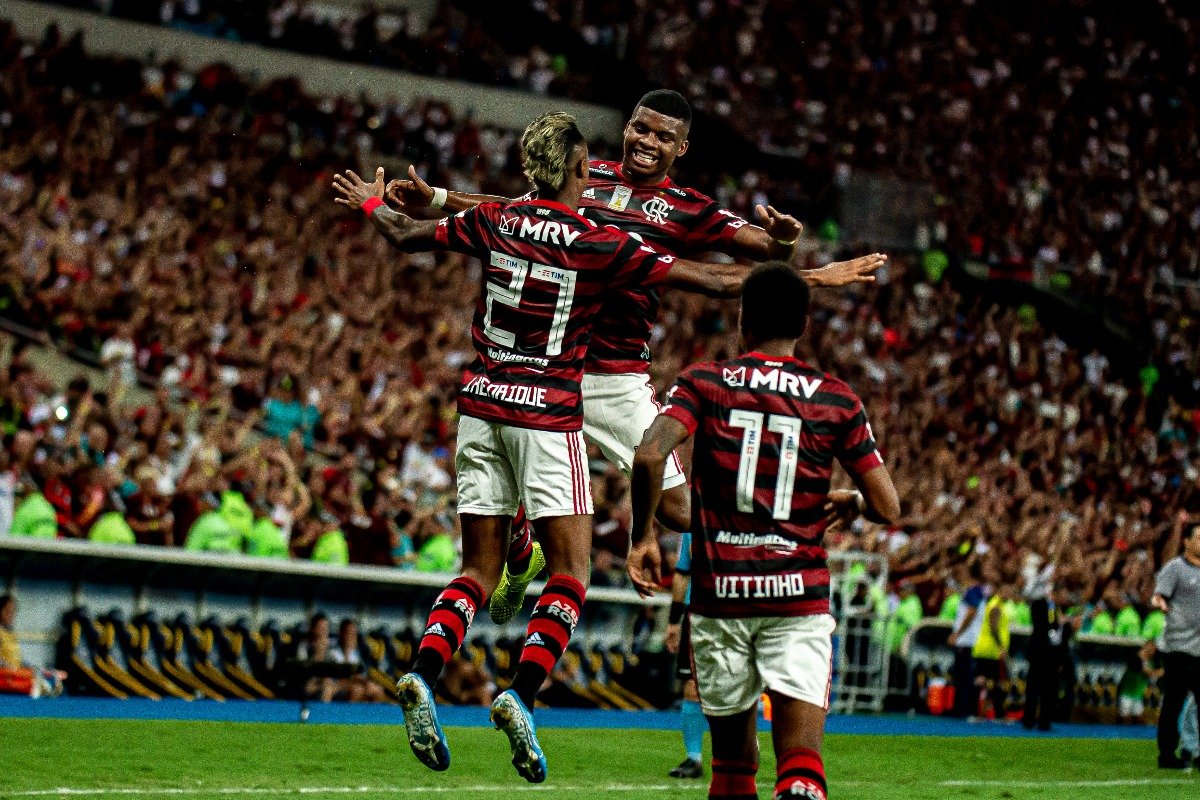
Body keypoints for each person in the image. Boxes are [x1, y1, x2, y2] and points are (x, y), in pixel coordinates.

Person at [333, 111, 760, 782]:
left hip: (480, 406)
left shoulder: (497, 218)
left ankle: (422, 672)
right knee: (572, 573)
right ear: (581, 171)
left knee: (474, 571)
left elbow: (404, 232)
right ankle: (520, 694)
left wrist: (368, 200)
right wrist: (806, 285)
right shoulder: (599, 240)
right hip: (549, 412)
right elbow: (713, 279)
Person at [387, 90, 885, 625]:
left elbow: (752, 255)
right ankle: (518, 550)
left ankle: (782, 508)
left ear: (682, 147)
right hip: (543, 369)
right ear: (626, 127)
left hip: (611, 378)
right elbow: (514, 213)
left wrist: (786, 248)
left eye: (662, 137)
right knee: (501, 477)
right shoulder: (586, 173)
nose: (647, 142)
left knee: (676, 510)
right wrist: (438, 198)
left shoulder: (689, 209)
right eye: (640, 129)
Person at [629, 264, 900, 800]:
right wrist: (851, 499)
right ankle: (799, 785)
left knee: (732, 766)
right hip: (796, 600)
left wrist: (642, 538)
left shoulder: (704, 382)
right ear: (803, 321)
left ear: (742, 318)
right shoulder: (837, 399)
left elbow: (650, 454)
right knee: (800, 759)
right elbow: (887, 506)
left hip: (720, 597)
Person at [1153, 521, 1200, 769]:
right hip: (1179, 646)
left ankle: (1194, 749)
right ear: (1187, 541)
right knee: (1174, 701)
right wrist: (1166, 610)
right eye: (1199, 538)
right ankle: (1167, 753)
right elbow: (1159, 595)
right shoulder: (1175, 568)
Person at [665, 531, 705, 779]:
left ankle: (741, 750)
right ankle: (694, 758)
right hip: (697, 612)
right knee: (691, 685)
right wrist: (673, 620)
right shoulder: (692, 526)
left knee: (733, 685)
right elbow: (682, 572)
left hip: (733, 609)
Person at [947, 562, 988, 717]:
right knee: (963, 676)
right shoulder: (973, 591)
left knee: (965, 676)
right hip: (967, 639)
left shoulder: (973, 591)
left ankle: (964, 709)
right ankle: (961, 708)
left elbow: (971, 612)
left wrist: (957, 634)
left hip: (968, 639)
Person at [971, 580, 1012, 719]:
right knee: (993, 683)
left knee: (988, 682)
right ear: (1001, 590)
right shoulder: (996, 606)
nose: (1010, 594)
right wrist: (1001, 646)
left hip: (987, 649)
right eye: (1008, 591)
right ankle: (994, 714)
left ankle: (985, 713)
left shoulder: (996, 604)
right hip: (990, 649)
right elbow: (994, 628)